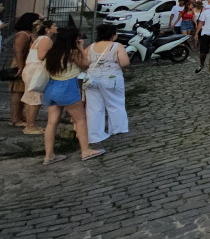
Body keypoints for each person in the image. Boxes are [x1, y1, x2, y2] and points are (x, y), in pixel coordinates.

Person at [39, 27, 104, 164]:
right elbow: (86, 65)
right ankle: (86, 151)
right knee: (80, 119)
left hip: (52, 87)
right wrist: (81, 48)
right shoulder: (71, 52)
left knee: (51, 123)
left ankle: (49, 155)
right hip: (67, 87)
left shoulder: (52, 52)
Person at [85, 24, 130, 144]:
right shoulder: (116, 46)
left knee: (93, 107)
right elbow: (125, 62)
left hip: (92, 78)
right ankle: (118, 129)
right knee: (115, 103)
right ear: (113, 35)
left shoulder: (91, 46)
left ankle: (94, 134)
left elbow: (84, 61)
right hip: (111, 77)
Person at [9, 12, 41, 129]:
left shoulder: (29, 34)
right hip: (21, 64)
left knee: (22, 92)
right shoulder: (23, 34)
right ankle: (15, 119)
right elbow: (18, 51)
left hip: (25, 64)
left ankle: (19, 116)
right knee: (17, 92)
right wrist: (20, 66)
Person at [20, 16, 51, 135]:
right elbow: (42, 56)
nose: (56, 27)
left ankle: (29, 124)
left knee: (29, 97)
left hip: (30, 69)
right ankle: (31, 125)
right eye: (53, 26)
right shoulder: (45, 40)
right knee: (35, 99)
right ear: (48, 29)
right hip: (36, 71)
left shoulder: (38, 39)